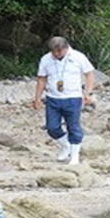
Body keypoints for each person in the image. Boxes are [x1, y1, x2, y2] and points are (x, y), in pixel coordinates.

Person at [32, 37, 95, 165]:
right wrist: (37, 98)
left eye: (59, 51)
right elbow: (42, 79)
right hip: (53, 98)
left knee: (74, 126)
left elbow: (89, 74)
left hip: (73, 97)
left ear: (66, 48)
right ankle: (66, 145)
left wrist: (88, 93)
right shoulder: (46, 59)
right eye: (54, 52)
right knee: (52, 127)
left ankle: (74, 155)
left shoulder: (78, 57)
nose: (56, 54)